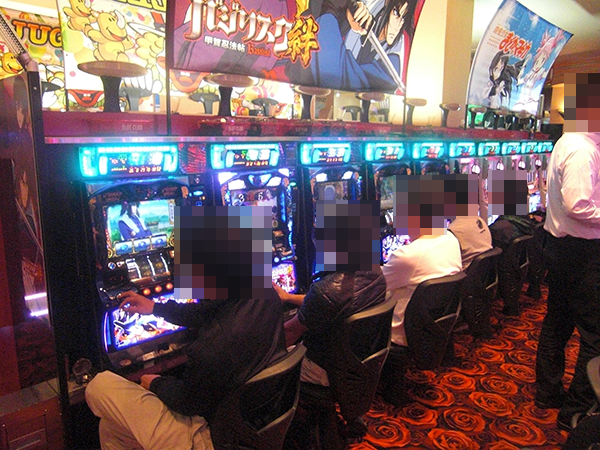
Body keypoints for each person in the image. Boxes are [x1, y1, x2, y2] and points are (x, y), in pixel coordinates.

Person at [85, 295, 287, 450]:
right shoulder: (263, 295)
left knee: (99, 386)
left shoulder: (213, 347)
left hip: (212, 437)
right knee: (110, 427)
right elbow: (207, 311)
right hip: (252, 418)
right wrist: (155, 308)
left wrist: (155, 383)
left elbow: (187, 403)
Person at [275, 200, 386, 449]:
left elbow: (287, 335)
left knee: (269, 361)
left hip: (325, 367)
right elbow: (332, 302)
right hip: (358, 357)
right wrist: (288, 297)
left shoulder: (326, 291)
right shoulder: (375, 272)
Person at [534, 72, 600, 433]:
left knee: (557, 322)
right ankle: (575, 409)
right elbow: (578, 206)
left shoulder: (571, 141)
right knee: (594, 335)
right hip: (578, 252)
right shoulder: (581, 149)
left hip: (562, 245)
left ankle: (548, 392)